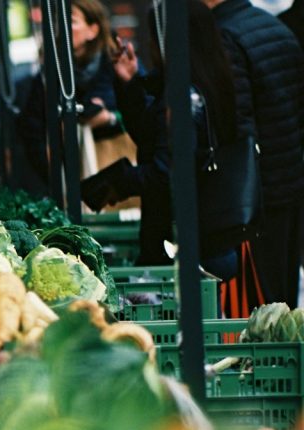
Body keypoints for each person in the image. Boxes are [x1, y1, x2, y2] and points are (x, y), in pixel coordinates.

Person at [81, 0, 249, 279]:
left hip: (186, 243)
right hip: (207, 237)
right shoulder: (204, 82)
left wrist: (116, 182)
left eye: (153, 37)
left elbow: (166, 172)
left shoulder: (184, 98)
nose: (150, 46)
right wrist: (131, 83)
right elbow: (153, 139)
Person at [206, 0, 304, 305]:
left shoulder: (225, 35)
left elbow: (241, 123)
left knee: (261, 301)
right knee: (283, 295)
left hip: (258, 191)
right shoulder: (276, 28)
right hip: (289, 178)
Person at [17, 0, 123, 189]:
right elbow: (31, 126)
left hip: (115, 172)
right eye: (60, 21)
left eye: (72, 21)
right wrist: (52, 166)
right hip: (69, 181)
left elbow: (141, 110)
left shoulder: (117, 65)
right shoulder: (49, 73)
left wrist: (110, 118)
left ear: (93, 30)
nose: (63, 28)